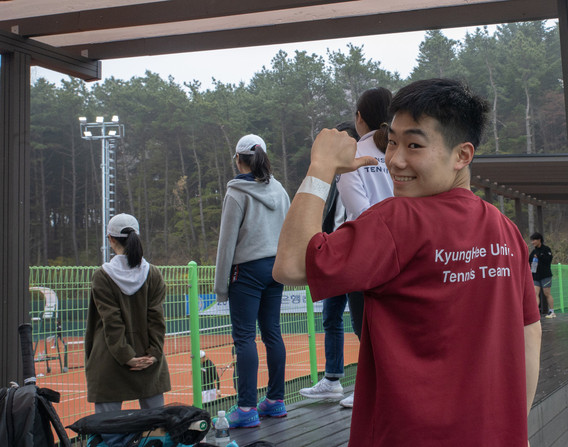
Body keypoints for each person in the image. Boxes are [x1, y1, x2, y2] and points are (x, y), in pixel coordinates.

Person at [272, 78, 542, 446]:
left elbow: (289, 265)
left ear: (463, 155)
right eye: (393, 142)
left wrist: (320, 169)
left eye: (414, 145)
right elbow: (529, 330)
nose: (395, 160)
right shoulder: (506, 231)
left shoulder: (397, 220)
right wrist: (516, 429)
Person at [214, 134, 291, 428]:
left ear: (238, 159)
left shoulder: (236, 193)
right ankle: (275, 401)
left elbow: (227, 243)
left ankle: (246, 408)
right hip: (276, 268)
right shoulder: (281, 190)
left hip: (246, 271)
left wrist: (222, 287)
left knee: (244, 337)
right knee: (272, 333)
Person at [299, 122, 360, 405]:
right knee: (330, 316)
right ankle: (332, 379)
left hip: (358, 255)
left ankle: (368, 384)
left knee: (363, 322)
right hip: (336, 252)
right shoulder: (336, 176)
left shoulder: (363, 171)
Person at [85, 213, 171, 414]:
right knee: (155, 429)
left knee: (110, 431)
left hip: (110, 360)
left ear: (111, 239)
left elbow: (112, 322)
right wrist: (154, 353)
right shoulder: (153, 273)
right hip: (148, 359)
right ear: (137, 237)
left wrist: (126, 356)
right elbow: (157, 320)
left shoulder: (102, 275)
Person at [529, 232, 556, 318]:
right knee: (535, 293)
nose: (532, 242)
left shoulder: (546, 249)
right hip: (536, 276)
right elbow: (529, 261)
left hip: (545, 276)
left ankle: (552, 312)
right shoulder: (533, 252)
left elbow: (548, 260)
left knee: (547, 293)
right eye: (532, 240)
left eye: (534, 240)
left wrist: (540, 256)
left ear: (539, 240)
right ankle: (536, 312)